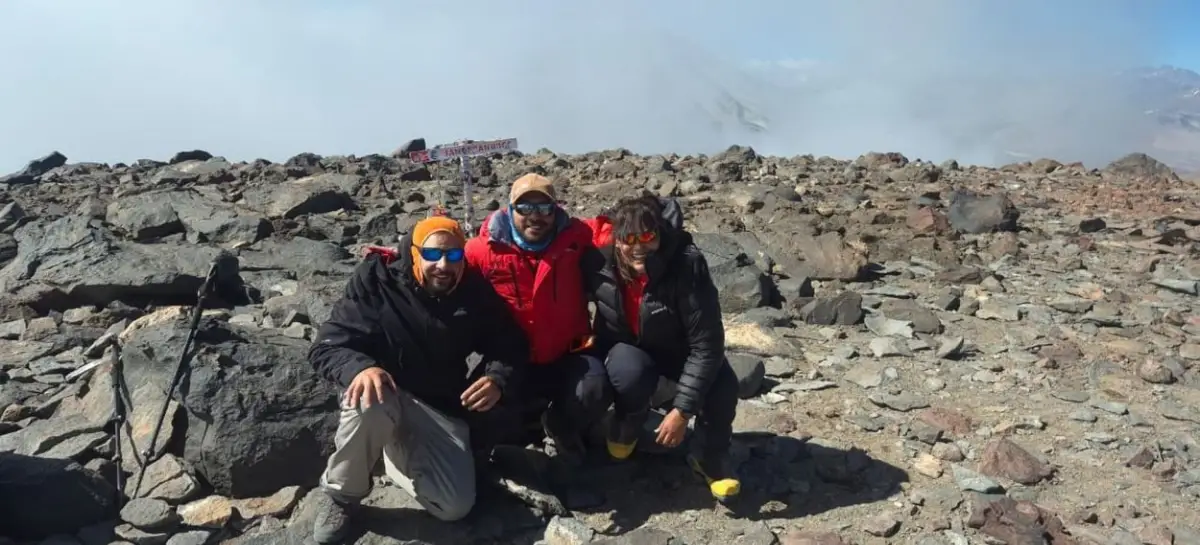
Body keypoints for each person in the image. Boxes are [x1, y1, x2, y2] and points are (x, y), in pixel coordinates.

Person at [307, 215, 528, 544]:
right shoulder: (377, 281)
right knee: (369, 401)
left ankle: (393, 455)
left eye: (454, 256)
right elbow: (328, 347)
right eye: (432, 254)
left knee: (454, 507)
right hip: (384, 394)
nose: (443, 264)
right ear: (414, 253)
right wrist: (360, 368)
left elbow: (511, 345)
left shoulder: (473, 291)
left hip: (437, 406)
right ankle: (342, 494)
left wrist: (497, 378)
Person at [582, 195, 742, 501]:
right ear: (617, 240)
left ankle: (710, 460)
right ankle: (627, 424)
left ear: (659, 234)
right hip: (628, 350)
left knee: (723, 385)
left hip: (678, 352)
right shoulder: (598, 261)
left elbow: (707, 345)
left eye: (647, 236)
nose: (638, 245)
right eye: (629, 238)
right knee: (628, 370)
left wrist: (682, 411)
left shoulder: (686, 265)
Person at [464, 174, 611, 461]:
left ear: (555, 210)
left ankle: (561, 426)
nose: (536, 217)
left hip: (570, 351)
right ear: (509, 210)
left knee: (595, 389)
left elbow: (615, 230)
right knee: (478, 406)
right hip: (512, 359)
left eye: (544, 209)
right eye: (525, 208)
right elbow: (442, 272)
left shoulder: (575, 236)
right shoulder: (482, 251)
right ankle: (523, 431)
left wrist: (659, 222)